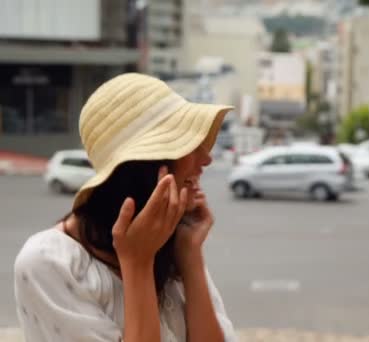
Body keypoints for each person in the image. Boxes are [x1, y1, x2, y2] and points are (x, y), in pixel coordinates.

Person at [14, 73, 237, 341]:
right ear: (145, 165)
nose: (206, 158)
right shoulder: (50, 263)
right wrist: (138, 263)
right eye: (188, 144)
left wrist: (190, 256)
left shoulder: (170, 239)